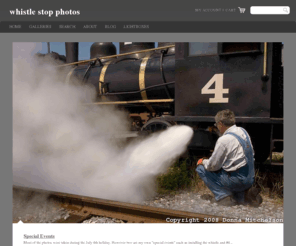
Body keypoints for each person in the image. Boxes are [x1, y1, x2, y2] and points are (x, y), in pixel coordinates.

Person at [196, 109, 262, 206]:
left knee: (201, 169)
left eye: (216, 125)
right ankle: (242, 196)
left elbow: (212, 166)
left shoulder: (223, 140)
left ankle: (223, 197)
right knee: (229, 168)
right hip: (250, 178)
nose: (217, 127)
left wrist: (203, 161)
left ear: (220, 124)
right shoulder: (243, 131)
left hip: (238, 180)